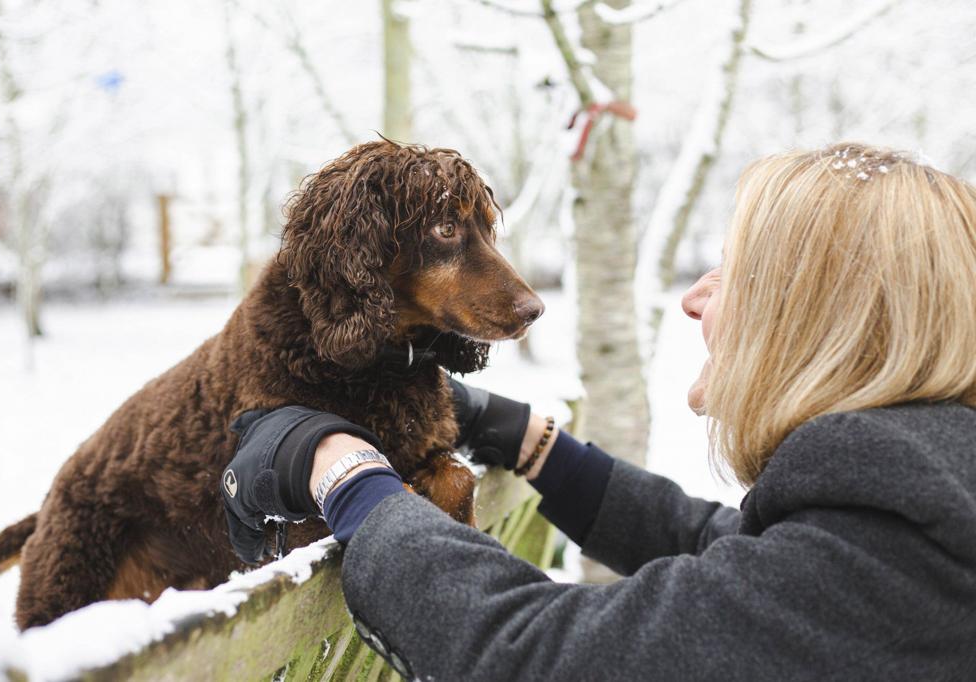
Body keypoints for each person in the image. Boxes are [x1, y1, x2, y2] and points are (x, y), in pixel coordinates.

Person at [222, 143, 976, 680]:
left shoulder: (899, 552)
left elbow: (535, 653)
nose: (694, 298)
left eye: (734, 273)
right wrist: (534, 441)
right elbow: (722, 548)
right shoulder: (927, 495)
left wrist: (348, 474)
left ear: (823, 317)